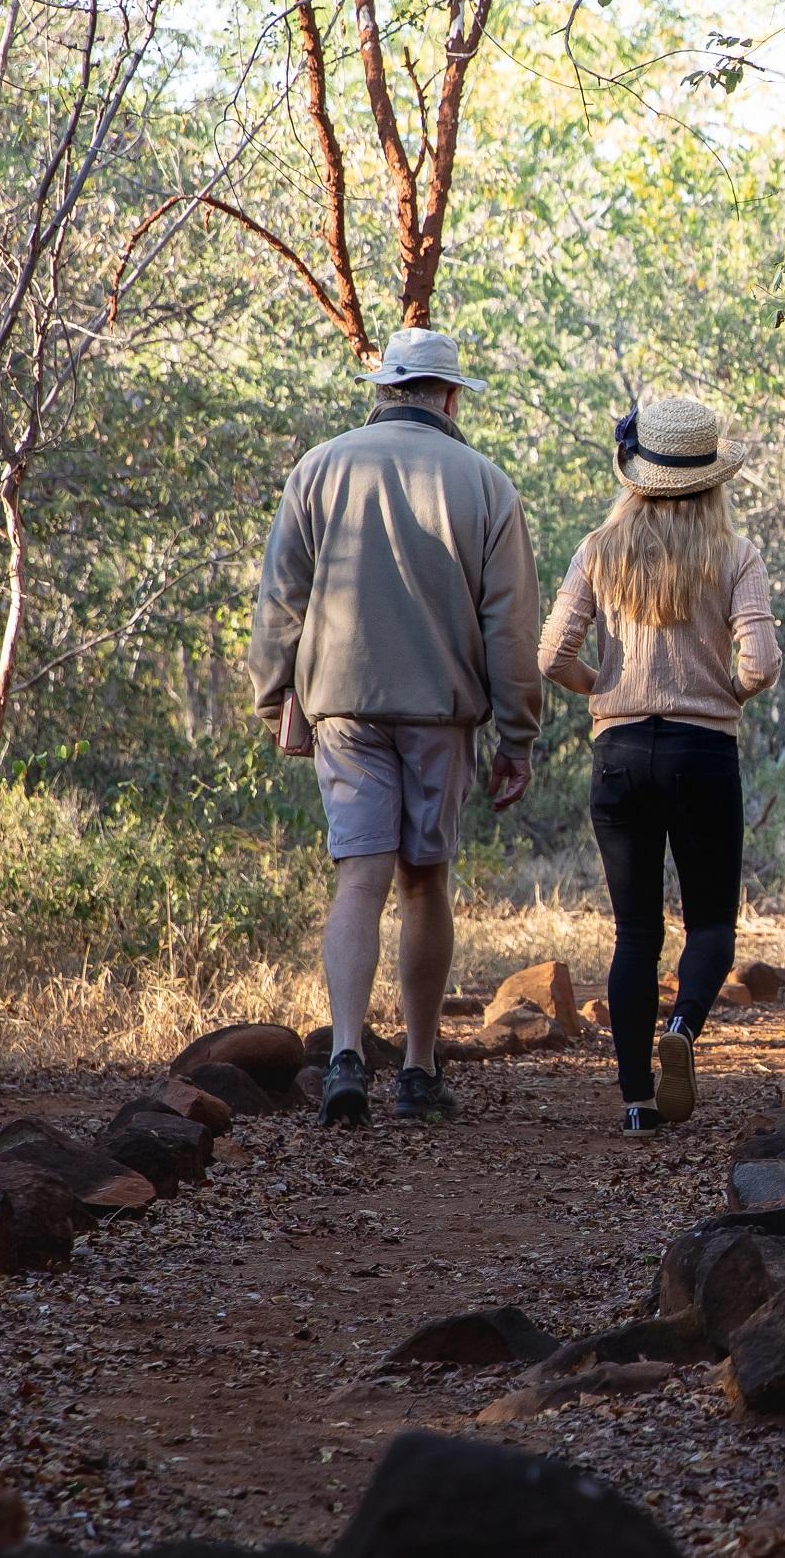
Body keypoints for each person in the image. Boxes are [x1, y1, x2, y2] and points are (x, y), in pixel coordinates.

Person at [247, 327, 543, 1129]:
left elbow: (282, 594)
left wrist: (276, 694)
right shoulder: (487, 484)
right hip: (439, 712)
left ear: (382, 389)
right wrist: (517, 735)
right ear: (450, 398)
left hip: (341, 705)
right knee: (424, 882)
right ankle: (416, 1068)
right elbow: (511, 627)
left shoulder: (319, 467)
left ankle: (346, 1052)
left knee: (359, 877)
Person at [539, 395, 781, 1135]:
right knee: (710, 924)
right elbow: (761, 663)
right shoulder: (736, 555)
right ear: (712, 479)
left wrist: (601, 689)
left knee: (634, 933)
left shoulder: (598, 550)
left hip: (619, 756)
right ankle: (682, 1027)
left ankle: (637, 1099)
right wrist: (725, 693)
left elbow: (552, 656)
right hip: (701, 753)